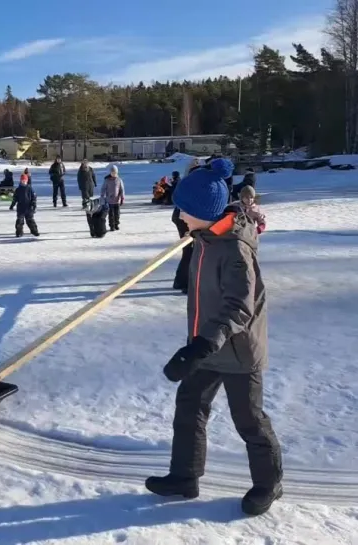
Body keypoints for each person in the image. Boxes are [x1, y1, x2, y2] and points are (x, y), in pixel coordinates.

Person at [145, 158, 283, 517]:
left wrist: (200, 346)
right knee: (189, 407)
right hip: (206, 342)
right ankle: (184, 476)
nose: (179, 216)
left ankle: (269, 483)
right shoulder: (206, 237)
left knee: (249, 419)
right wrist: (199, 342)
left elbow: (239, 306)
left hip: (236, 348)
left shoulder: (234, 247)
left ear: (204, 211)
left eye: (184, 210)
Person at [100, 165, 125, 231]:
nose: (114, 174)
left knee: (117, 214)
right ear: (110, 173)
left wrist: (122, 197)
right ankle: (112, 226)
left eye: (115, 173)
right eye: (112, 173)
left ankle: (116, 224)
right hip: (109, 200)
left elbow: (122, 189)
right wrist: (102, 196)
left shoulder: (119, 180)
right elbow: (103, 189)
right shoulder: (107, 180)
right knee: (111, 214)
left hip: (117, 200)